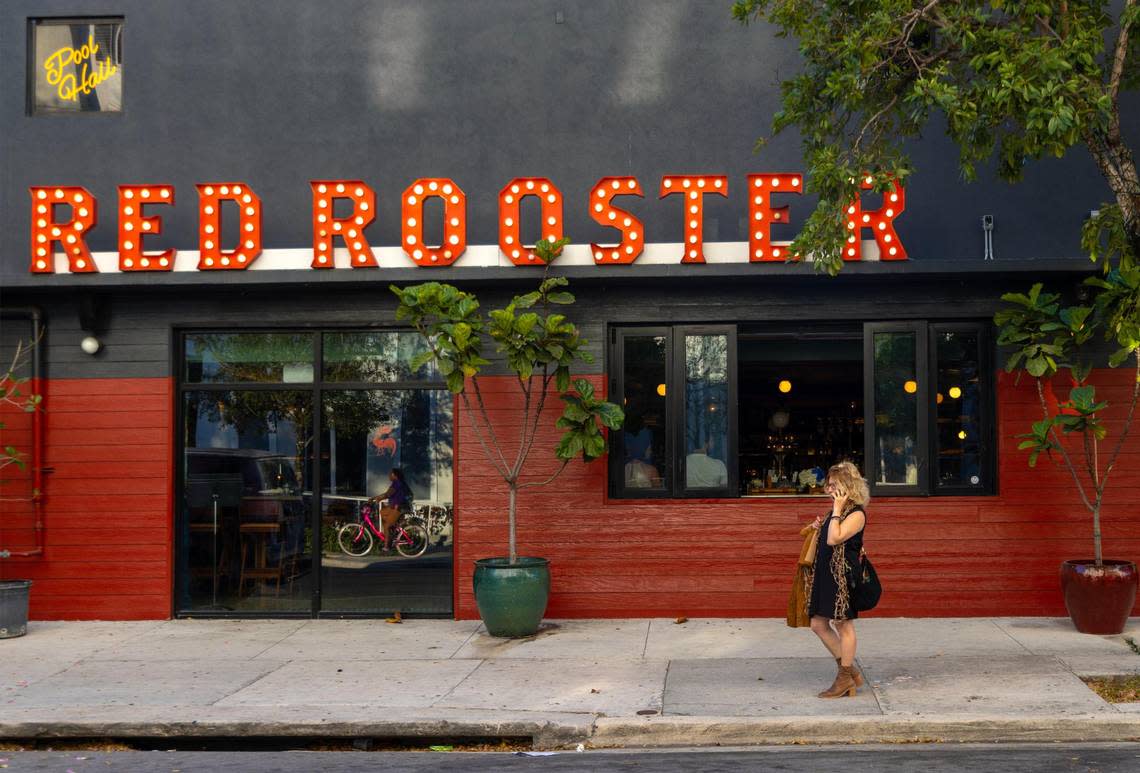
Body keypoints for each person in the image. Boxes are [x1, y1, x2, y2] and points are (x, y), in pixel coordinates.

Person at [806, 461, 868, 698]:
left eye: (834, 485)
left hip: (843, 578)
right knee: (818, 624)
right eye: (828, 486)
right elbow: (827, 537)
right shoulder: (837, 511)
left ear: (848, 486)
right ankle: (851, 672)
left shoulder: (856, 513)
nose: (829, 490)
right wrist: (817, 527)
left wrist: (837, 511)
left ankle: (844, 679)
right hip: (826, 575)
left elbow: (835, 539)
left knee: (844, 625)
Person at [369, 468, 413, 551]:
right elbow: (388, 493)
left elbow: (388, 494)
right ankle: (391, 532)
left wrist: (375, 498)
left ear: (395, 475)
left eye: (390, 474)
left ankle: (387, 546)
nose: (389, 476)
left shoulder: (397, 483)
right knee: (382, 512)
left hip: (399, 507)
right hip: (395, 506)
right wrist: (377, 498)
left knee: (386, 525)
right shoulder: (396, 483)